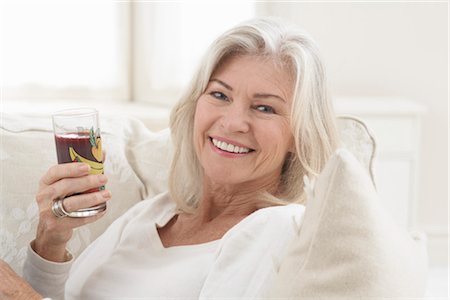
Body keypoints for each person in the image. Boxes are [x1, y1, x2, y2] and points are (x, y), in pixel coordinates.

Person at [0, 17, 338, 299]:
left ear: (301, 134)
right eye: (219, 94)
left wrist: (19, 296)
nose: (233, 122)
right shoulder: (152, 214)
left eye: (265, 107)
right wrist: (52, 239)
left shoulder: (278, 228)